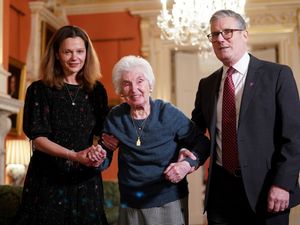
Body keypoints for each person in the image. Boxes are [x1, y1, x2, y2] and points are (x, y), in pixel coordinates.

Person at [185, 9, 300, 225]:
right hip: (220, 194)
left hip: (267, 190)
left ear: (245, 35)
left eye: (227, 32)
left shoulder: (277, 75)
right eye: (214, 34)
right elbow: (196, 132)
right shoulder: (207, 84)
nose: (220, 39)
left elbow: (294, 136)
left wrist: (283, 184)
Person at [13, 25, 115, 225]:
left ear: (87, 53)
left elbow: (103, 135)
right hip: (47, 179)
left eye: (80, 51)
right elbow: (38, 139)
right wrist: (73, 155)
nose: (74, 57)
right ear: (57, 55)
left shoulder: (97, 91)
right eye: (67, 52)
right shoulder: (39, 90)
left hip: (85, 180)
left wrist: (99, 153)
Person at [93, 55, 210, 225]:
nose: (134, 89)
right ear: (121, 90)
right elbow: (105, 155)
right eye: (126, 83)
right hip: (130, 202)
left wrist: (185, 165)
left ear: (149, 85)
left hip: (168, 200)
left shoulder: (167, 113)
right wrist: (98, 156)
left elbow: (202, 143)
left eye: (140, 81)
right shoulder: (116, 117)